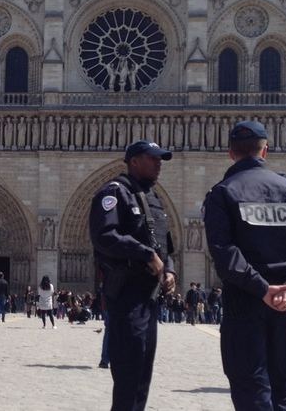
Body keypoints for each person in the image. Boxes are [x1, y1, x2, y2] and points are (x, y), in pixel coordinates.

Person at [203, 122, 286, 410]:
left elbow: (224, 254)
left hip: (244, 305)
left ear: (230, 153)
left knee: (251, 391)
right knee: (284, 391)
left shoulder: (222, 194)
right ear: (265, 150)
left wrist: (262, 289)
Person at [90, 140, 177, 411]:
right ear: (134, 161)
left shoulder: (153, 199)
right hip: (127, 295)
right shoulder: (115, 193)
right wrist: (145, 255)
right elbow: (105, 236)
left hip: (148, 298)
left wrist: (170, 269)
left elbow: (165, 246)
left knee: (142, 372)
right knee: (128, 372)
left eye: (160, 158)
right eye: (152, 158)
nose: (159, 163)